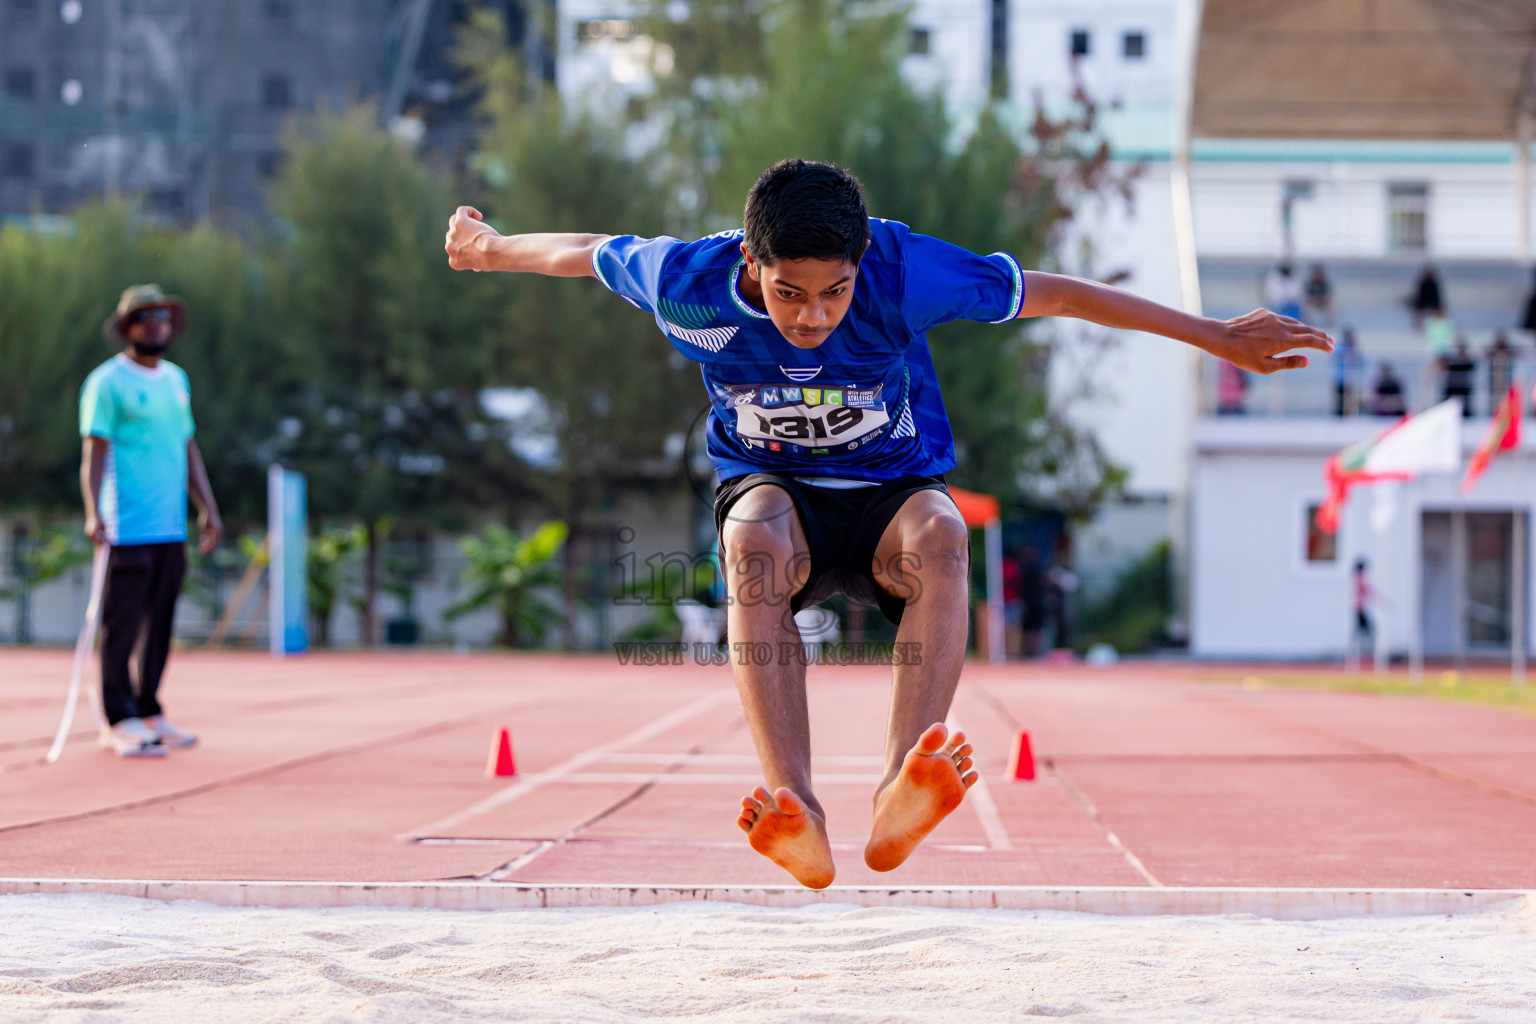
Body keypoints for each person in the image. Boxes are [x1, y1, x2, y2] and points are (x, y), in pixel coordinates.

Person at [443, 159, 1331, 888]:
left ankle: (905, 782)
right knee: (749, 543)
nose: (813, 317)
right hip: (776, 493)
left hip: (888, 497)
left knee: (946, 535)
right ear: (749, 265)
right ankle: (797, 811)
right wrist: (488, 249)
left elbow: (1055, 294)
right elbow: (586, 251)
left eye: (833, 293)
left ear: (861, 264)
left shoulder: (906, 272)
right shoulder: (689, 286)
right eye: (790, 294)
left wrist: (1210, 333)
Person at [80, 285, 222, 757]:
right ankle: (117, 719)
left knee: (160, 624)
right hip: (126, 524)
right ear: (127, 327)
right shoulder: (108, 382)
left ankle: (148, 710)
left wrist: (207, 507)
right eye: (144, 317)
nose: (155, 324)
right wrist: (92, 510)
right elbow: (94, 451)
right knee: (121, 625)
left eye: (161, 316)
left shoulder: (176, 380)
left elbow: (187, 447)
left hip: (170, 526)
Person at [1333, 326, 1364, 416]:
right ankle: (1339, 415)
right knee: (1340, 399)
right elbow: (1336, 357)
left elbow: (1361, 360)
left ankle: (1350, 414)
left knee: (1351, 398)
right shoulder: (1339, 346)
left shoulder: (1355, 346)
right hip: (1341, 377)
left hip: (1352, 378)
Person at [1442, 336, 1475, 416]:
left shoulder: (1468, 360)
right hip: (1452, 384)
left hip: (1463, 385)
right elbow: (1444, 365)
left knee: (1467, 398)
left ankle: (1466, 413)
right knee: (1445, 400)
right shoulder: (1452, 359)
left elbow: (1472, 367)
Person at [1487, 330, 1517, 408]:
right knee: (1495, 394)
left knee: (1506, 394)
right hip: (1496, 377)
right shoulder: (1494, 351)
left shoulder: (1507, 351)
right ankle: (1495, 410)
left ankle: (1506, 409)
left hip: (1505, 377)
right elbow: (1487, 354)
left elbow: (1515, 354)